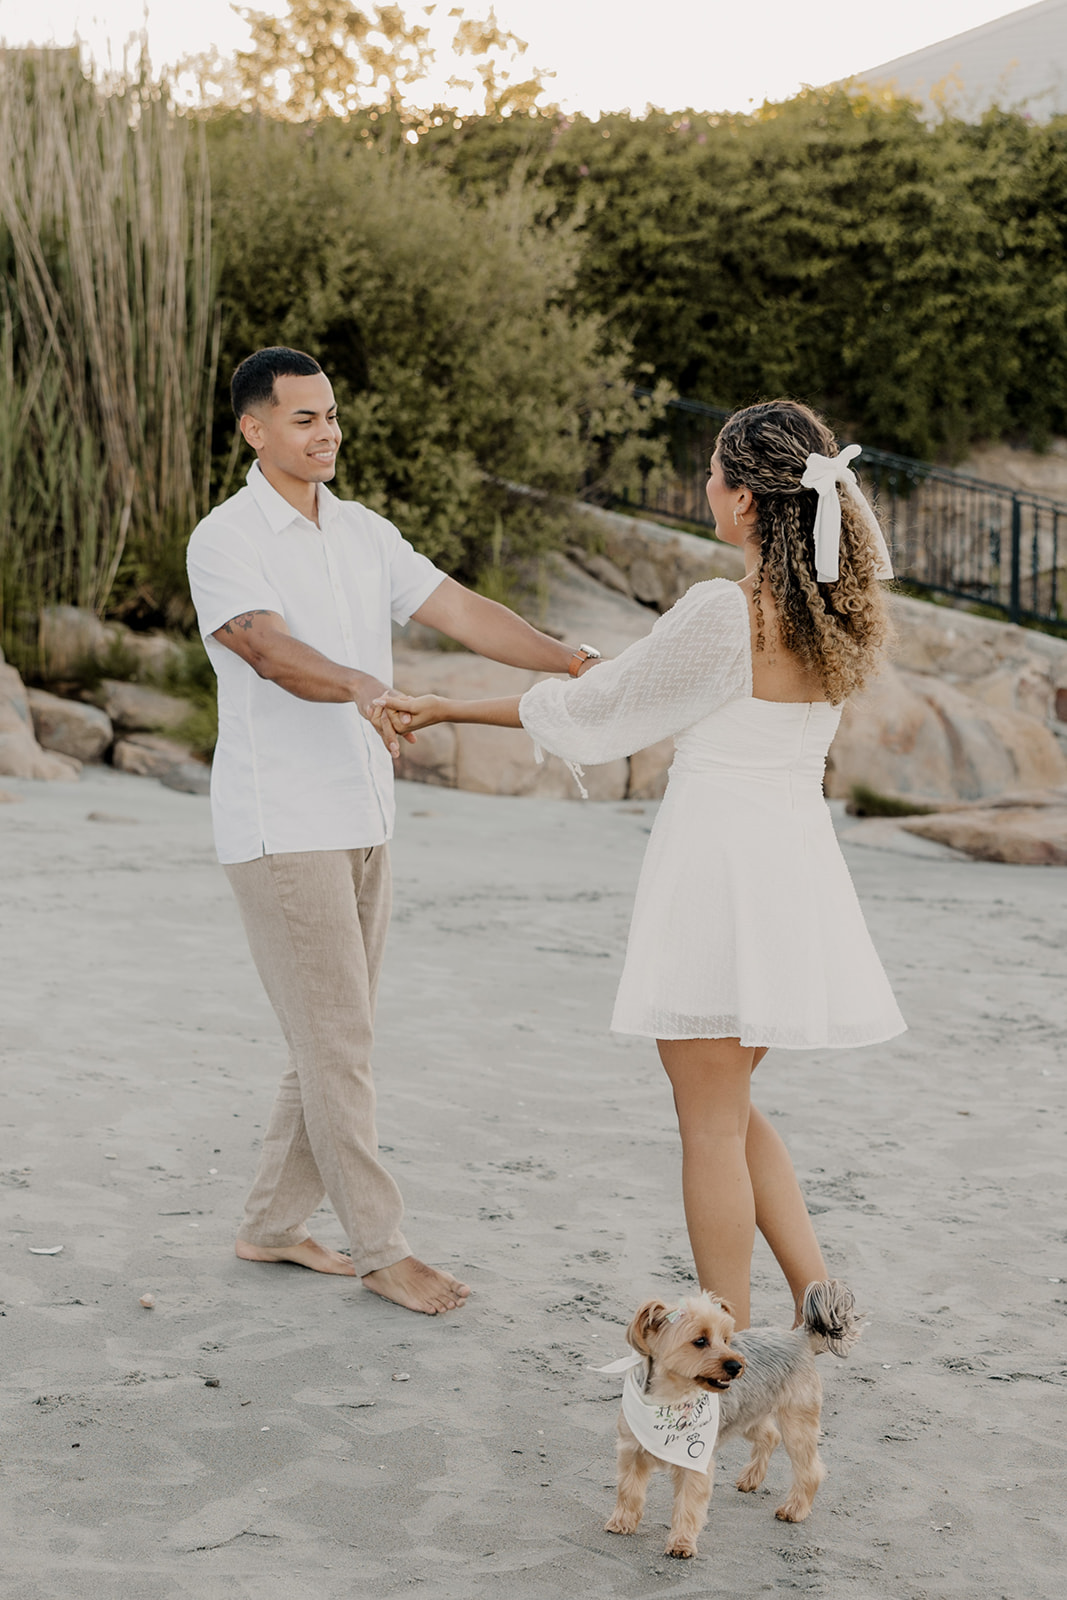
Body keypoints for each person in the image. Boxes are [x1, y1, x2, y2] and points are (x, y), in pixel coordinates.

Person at [375, 399, 907, 1329]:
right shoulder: (827, 612)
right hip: (793, 878)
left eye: (713, 474)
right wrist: (600, 670)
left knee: (705, 1121)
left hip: (718, 875)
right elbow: (650, 682)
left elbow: (607, 709)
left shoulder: (723, 608)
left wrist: (445, 706)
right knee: (730, 1102)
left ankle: (721, 1359)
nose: (705, 488)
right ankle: (819, 1298)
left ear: (745, 502)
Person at [186, 346, 602, 1315]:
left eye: (331, 414)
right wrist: (368, 684)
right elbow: (265, 647)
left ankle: (271, 1226)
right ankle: (382, 1248)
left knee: (332, 1034)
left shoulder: (365, 530)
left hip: (365, 809)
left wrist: (567, 659)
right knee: (337, 1041)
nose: (325, 431)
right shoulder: (226, 537)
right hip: (281, 822)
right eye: (302, 417)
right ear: (255, 429)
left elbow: (455, 606)